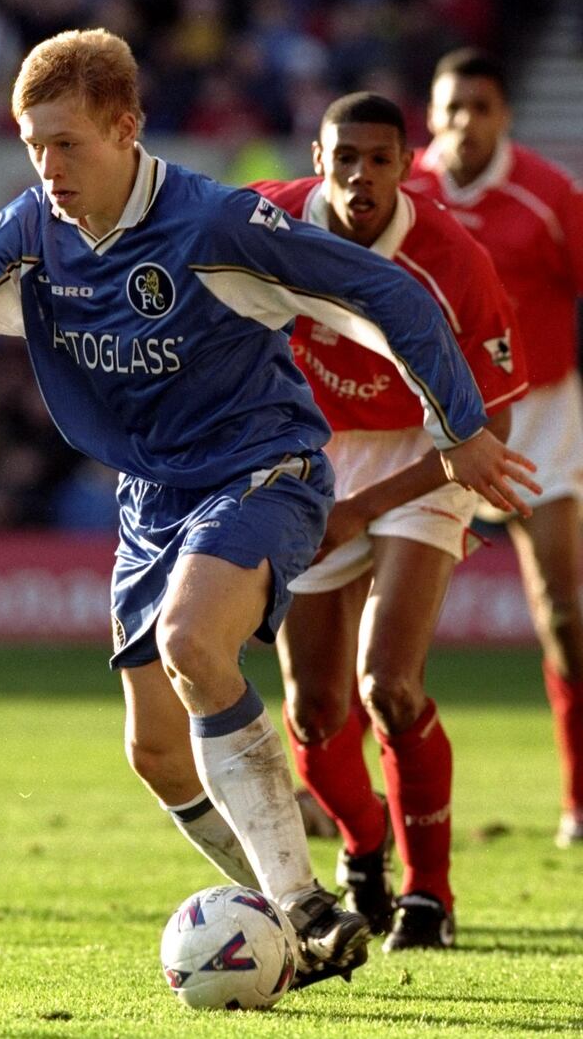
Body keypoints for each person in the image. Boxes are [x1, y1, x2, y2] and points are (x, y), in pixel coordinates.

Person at [0, 30, 537, 984]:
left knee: (194, 641)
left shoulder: (216, 226)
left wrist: (458, 423)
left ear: (126, 128)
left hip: (263, 466)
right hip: (150, 496)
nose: (47, 166)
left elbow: (382, 293)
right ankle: (297, 920)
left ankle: (302, 908)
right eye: (31, 142)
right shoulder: (32, 232)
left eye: (67, 143)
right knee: (157, 753)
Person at [250, 92, 530, 951]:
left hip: (428, 456)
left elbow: (491, 435)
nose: (360, 177)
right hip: (316, 461)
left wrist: (361, 509)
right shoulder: (266, 225)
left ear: (408, 165)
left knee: (390, 687)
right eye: (345, 158)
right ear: (317, 155)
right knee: (313, 713)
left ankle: (429, 895)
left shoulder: (453, 258)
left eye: (379, 160)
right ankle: (365, 850)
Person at [409, 48, 583, 850]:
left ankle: (578, 798)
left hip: (542, 416)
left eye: (481, 106)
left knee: (564, 611)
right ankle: (370, 823)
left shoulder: (550, 197)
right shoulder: (404, 188)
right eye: (452, 107)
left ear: (505, 113)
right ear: (433, 113)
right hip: (436, 422)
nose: (465, 123)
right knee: (375, 624)